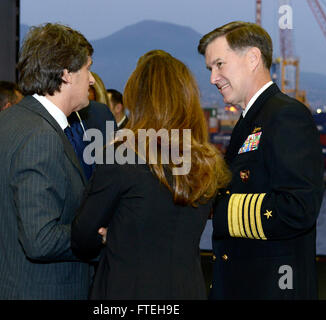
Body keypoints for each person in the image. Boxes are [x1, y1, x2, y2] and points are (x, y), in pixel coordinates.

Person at [0, 23, 113, 299]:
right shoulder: (40, 136)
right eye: (87, 69)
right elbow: (40, 240)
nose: (91, 80)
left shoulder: (6, 121)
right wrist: (99, 234)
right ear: (66, 74)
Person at [71, 49, 231, 300]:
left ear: (138, 98)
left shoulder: (120, 156)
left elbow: (82, 237)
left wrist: (113, 235)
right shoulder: (206, 162)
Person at [197, 21, 324, 299]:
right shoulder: (251, 120)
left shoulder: (285, 115)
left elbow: (298, 207)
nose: (213, 78)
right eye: (210, 69)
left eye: (219, 64)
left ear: (253, 58)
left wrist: (220, 209)